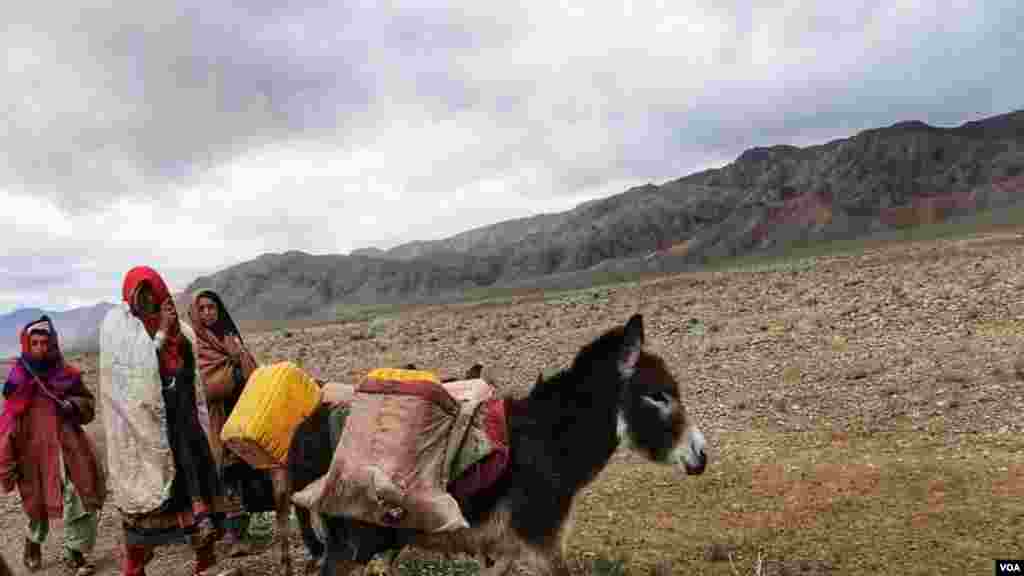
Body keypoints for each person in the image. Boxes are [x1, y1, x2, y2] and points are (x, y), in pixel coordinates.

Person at [100, 266, 229, 576]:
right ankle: (135, 567)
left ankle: (205, 564)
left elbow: (190, 379)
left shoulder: (181, 331)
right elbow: (134, 382)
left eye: (150, 294)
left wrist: (168, 332)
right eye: (139, 296)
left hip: (185, 428)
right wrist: (159, 335)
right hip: (143, 433)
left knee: (199, 506)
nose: (145, 302)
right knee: (144, 514)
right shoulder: (121, 331)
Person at [0, 316, 106, 575]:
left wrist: (71, 406)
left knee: (77, 499)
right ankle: (32, 543)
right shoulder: (18, 382)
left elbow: (88, 406)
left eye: (44, 343)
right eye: (34, 342)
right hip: (33, 455)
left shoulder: (66, 374)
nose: (39, 348)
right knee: (38, 507)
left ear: (52, 344)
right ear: (27, 345)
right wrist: (7, 466)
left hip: (69, 450)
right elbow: (8, 425)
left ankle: (75, 553)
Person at [189, 289, 273, 557]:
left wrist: (239, 359)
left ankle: (251, 530)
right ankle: (234, 535)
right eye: (201, 309)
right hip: (219, 420)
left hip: (243, 415)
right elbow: (207, 387)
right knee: (229, 476)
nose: (207, 313)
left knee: (249, 472)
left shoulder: (231, 336)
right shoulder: (196, 347)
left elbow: (254, 375)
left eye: (211, 307)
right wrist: (234, 365)